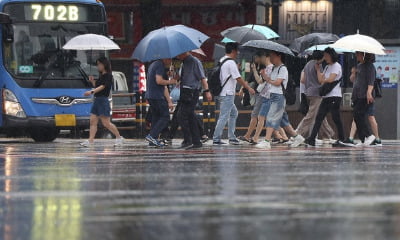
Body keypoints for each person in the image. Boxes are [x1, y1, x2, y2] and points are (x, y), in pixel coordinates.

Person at [254, 51, 305, 149]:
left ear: (279, 56)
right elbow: (269, 81)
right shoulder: (274, 68)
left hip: (279, 96)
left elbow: (277, 82)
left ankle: (267, 141)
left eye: (272, 56)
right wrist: (264, 75)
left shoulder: (283, 68)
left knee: (271, 117)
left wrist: (268, 80)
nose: (271, 58)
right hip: (272, 95)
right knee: (283, 121)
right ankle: (297, 137)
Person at [213, 42, 255, 145]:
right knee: (224, 116)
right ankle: (216, 138)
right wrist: (248, 87)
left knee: (233, 113)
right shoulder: (231, 63)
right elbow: (238, 78)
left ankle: (231, 137)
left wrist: (236, 67)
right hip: (228, 93)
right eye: (237, 50)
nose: (238, 53)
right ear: (233, 51)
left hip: (223, 92)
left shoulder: (223, 60)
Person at [305, 48, 346, 147]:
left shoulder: (337, 66)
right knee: (319, 117)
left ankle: (342, 139)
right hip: (327, 96)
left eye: (327, 56)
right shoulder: (327, 67)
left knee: (336, 118)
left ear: (331, 55)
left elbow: (331, 79)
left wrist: (325, 79)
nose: (325, 58)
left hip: (335, 96)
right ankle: (312, 139)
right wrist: (318, 70)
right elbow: (321, 80)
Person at [80, 57, 124, 147]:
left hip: (103, 100)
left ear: (104, 65)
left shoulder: (108, 75)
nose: (98, 66)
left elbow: (103, 87)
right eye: (97, 64)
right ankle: (90, 140)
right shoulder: (101, 76)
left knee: (106, 123)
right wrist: (93, 81)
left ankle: (119, 137)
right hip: (97, 100)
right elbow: (98, 85)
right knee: (93, 121)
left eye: (99, 64)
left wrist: (92, 91)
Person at [176, 52, 212, 149]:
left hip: (191, 92)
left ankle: (189, 140)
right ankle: (196, 141)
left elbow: (202, 78)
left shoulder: (195, 61)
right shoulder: (183, 63)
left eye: (179, 54)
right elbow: (181, 77)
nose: (177, 55)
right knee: (190, 116)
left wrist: (207, 91)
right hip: (184, 91)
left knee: (181, 116)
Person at [296, 50, 335, 141]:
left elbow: (303, 79)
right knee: (311, 115)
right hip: (316, 93)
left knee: (319, 114)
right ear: (321, 57)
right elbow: (320, 80)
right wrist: (321, 75)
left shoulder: (308, 64)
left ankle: (327, 135)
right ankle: (298, 133)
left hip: (308, 92)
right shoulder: (319, 65)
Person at [342, 53, 377, 146]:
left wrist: (369, 92)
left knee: (359, 115)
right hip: (357, 95)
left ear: (364, 55)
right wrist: (353, 73)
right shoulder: (359, 66)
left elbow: (371, 81)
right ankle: (363, 139)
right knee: (357, 116)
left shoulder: (370, 67)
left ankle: (369, 135)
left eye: (358, 54)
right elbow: (352, 80)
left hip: (364, 95)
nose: (356, 56)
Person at [144, 58, 176, 147]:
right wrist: (171, 81)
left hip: (151, 95)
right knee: (165, 116)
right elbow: (159, 81)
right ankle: (152, 136)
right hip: (157, 96)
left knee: (156, 117)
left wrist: (167, 75)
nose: (170, 61)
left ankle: (152, 140)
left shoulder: (153, 64)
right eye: (169, 59)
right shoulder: (159, 65)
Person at [238, 51, 267, 143]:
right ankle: (281, 136)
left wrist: (255, 70)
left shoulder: (264, 68)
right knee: (264, 116)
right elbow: (248, 79)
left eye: (256, 57)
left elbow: (259, 81)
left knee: (256, 115)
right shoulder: (256, 67)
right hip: (257, 94)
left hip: (262, 94)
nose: (254, 59)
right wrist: (242, 88)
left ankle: (249, 136)